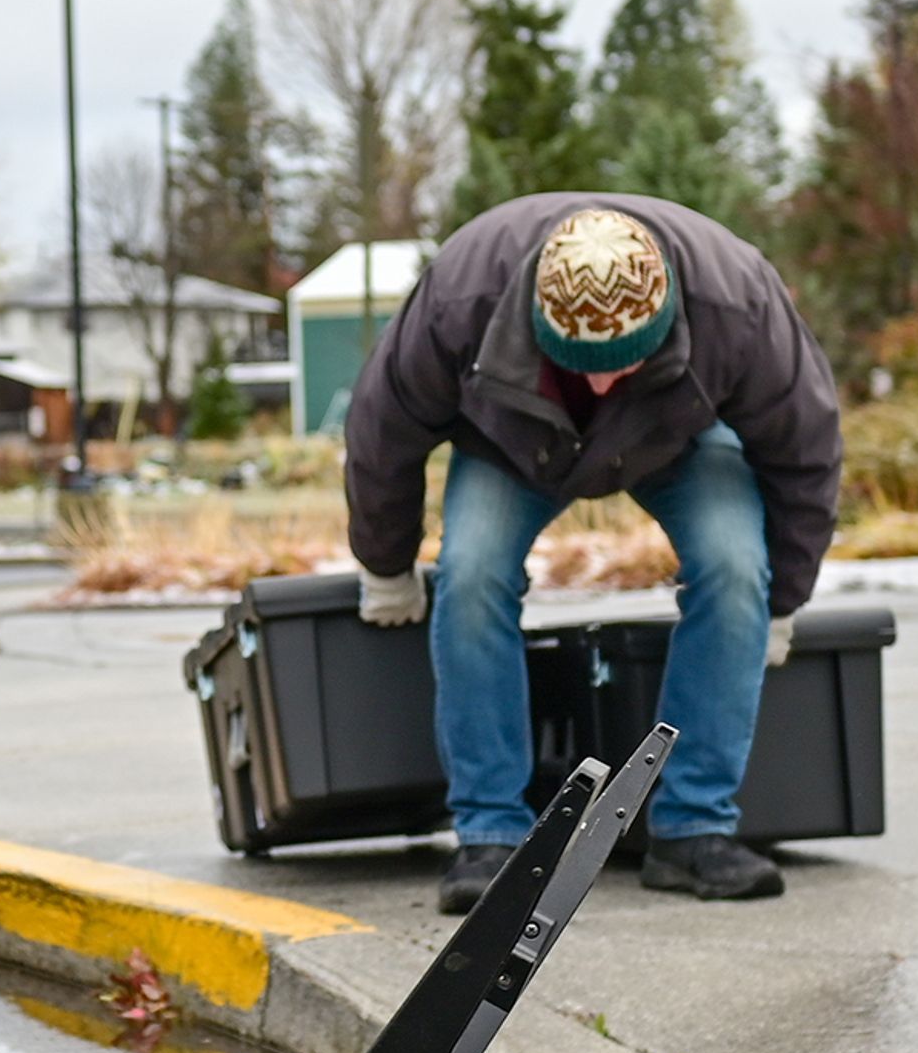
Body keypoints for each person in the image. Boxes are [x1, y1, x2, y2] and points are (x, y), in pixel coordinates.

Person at [343, 197, 842, 913]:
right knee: (472, 573)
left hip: (676, 435)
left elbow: (806, 452)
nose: (603, 386)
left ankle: (694, 830)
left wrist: (783, 600)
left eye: (622, 365)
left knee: (737, 570)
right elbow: (380, 434)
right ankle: (492, 835)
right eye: (582, 366)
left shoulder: (737, 302)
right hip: (512, 444)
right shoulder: (463, 294)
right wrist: (385, 566)